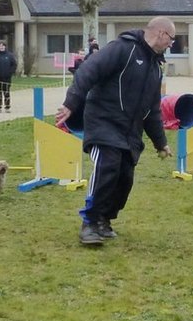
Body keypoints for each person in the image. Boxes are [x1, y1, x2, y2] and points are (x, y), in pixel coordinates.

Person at [55, 16, 175, 245]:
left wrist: (161, 143)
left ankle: (104, 220)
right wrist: (71, 103)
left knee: (124, 179)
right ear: (161, 33)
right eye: (172, 39)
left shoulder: (155, 69)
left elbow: (153, 109)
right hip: (104, 122)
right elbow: (88, 71)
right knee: (107, 167)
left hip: (130, 132)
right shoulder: (122, 49)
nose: (172, 44)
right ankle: (89, 222)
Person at [0, 41, 17, 113]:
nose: (1, 47)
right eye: (0, 46)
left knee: (6, 92)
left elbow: (14, 65)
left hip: (7, 77)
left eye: (3, 46)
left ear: (5, 46)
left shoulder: (10, 56)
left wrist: (10, 72)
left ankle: (7, 107)